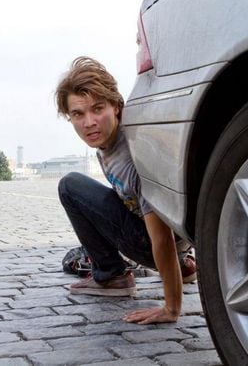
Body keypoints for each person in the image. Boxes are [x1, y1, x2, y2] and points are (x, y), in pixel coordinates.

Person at [55, 56, 196, 324]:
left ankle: (111, 276)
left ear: (117, 107)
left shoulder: (133, 156)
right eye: (78, 114)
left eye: (98, 109)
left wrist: (171, 309)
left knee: (70, 186)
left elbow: (162, 237)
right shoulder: (111, 141)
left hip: (160, 243)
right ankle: (182, 265)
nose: (89, 122)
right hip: (179, 243)